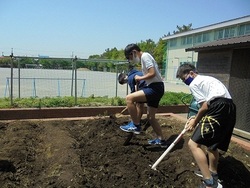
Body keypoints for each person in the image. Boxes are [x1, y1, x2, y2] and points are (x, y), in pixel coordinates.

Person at [176, 63, 236, 188]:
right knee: (212, 145)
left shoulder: (194, 83)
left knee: (193, 144)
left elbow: (204, 106)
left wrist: (195, 121)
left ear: (191, 73)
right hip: (229, 108)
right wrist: (196, 117)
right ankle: (213, 174)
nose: (185, 82)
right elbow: (211, 105)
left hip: (218, 107)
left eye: (184, 78)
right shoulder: (209, 79)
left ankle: (209, 182)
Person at [120, 43, 166, 146]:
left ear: (134, 52)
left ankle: (135, 125)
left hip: (155, 87)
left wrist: (139, 78)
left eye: (129, 57)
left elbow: (152, 73)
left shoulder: (145, 56)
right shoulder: (144, 59)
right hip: (157, 87)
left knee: (129, 98)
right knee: (151, 118)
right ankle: (161, 140)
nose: (130, 60)